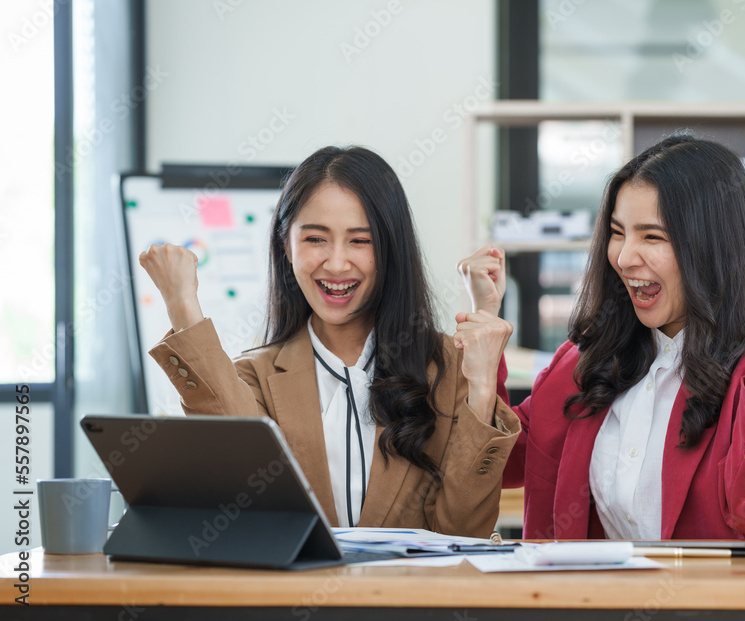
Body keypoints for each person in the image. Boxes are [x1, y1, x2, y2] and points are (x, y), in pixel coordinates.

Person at [454, 134, 745, 540]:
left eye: (652, 237)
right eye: (617, 232)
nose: (624, 258)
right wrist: (484, 348)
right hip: (592, 601)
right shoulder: (584, 358)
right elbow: (498, 466)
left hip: (733, 602)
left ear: (712, 246)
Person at [139, 146, 519, 538]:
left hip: (412, 597)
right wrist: (183, 306)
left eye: (360, 241)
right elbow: (245, 494)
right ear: (286, 246)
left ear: (391, 249)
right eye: (316, 239)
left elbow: (463, 531)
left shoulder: (446, 367)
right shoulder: (256, 377)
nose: (336, 264)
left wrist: (483, 386)